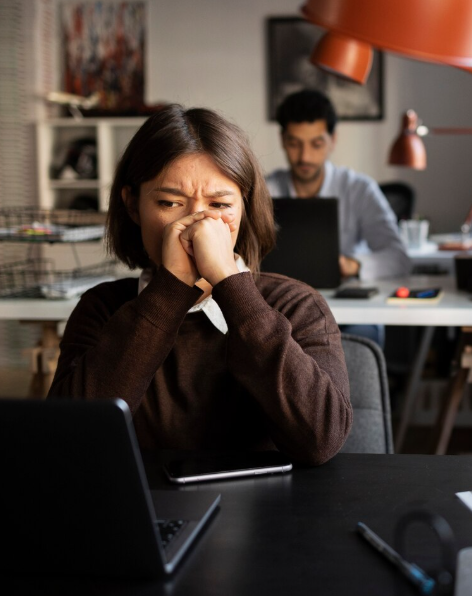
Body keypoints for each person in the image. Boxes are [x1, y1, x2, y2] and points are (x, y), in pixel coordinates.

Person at [47, 105, 352, 466]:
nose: (195, 225)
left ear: (245, 208)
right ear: (133, 205)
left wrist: (232, 287)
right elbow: (69, 438)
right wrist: (171, 287)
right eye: (169, 203)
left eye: (220, 204)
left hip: (269, 514)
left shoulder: (297, 304)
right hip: (146, 513)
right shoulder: (102, 308)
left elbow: (320, 440)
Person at [266, 89, 411, 282]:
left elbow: (399, 258)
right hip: (279, 299)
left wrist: (353, 265)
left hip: (345, 303)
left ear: (333, 140)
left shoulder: (359, 189)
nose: (305, 156)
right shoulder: (263, 191)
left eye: (316, 144)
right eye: (294, 144)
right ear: (282, 140)